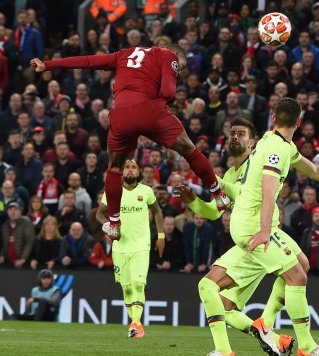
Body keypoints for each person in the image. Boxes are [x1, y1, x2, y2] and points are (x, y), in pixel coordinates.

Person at [191, 98, 319, 356]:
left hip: (252, 222)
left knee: (301, 264)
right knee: (297, 278)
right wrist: (265, 231)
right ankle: (307, 348)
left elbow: (315, 170)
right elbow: (268, 191)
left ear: (274, 118)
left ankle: (263, 325)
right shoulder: (276, 148)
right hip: (254, 225)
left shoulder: (275, 142)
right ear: (299, 123)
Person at [30, 45, 228, 242]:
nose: (179, 69)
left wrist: (47, 65)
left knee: (115, 168)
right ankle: (218, 195)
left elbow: (88, 61)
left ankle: (115, 224)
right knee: (189, 150)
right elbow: (168, 92)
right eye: (180, 66)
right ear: (176, 54)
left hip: (121, 114)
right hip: (150, 110)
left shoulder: (123, 53)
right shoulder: (168, 54)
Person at [176, 117, 300, 356]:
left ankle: (225, 352)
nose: (234, 137)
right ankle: (277, 340)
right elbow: (214, 212)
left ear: (253, 142)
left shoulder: (257, 163)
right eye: (231, 133)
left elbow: (249, 192)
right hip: (248, 242)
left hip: (259, 238)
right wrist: (193, 201)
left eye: (241, 134)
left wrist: (212, 178)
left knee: (207, 286)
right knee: (223, 306)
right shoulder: (232, 174)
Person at [96, 160, 164, 338]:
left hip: (141, 245)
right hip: (120, 247)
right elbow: (99, 213)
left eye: (133, 167)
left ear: (139, 171)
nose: (130, 170)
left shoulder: (146, 191)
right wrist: (107, 227)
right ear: (122, 171)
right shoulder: (113, 191)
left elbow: (157, 211)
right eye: (127, 167)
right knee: (126, 287)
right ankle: (135, 324)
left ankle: (135, 324)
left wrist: (161, 236)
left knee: (138, 283)